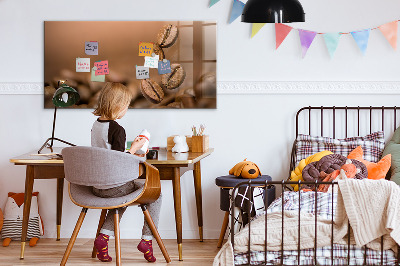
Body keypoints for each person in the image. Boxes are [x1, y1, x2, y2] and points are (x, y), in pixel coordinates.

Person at [91, 82, 161, 263]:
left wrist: (130, 150)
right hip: (114, 186)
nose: (126, 109)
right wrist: (136, 148)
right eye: (127, 106)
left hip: (97, 186)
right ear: (118, 105)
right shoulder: (117, 129)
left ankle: (103, 238)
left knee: (121, 197)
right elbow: (119, 161)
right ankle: (147, 240)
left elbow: (108, 154)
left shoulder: (96, 125)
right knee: (156, 194)